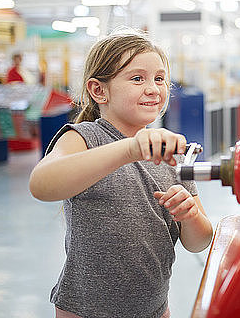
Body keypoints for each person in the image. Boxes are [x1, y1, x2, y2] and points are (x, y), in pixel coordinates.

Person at [29, 29, 213, 318]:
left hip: (154, 309)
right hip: (84, 310)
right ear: (99, 90)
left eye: (160, 78)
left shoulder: (170, 152)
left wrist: (189, 215)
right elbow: (41, 185)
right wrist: (129, 149)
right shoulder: (85, 137)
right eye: (137, 78)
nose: (153, 88)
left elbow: (199, 242)